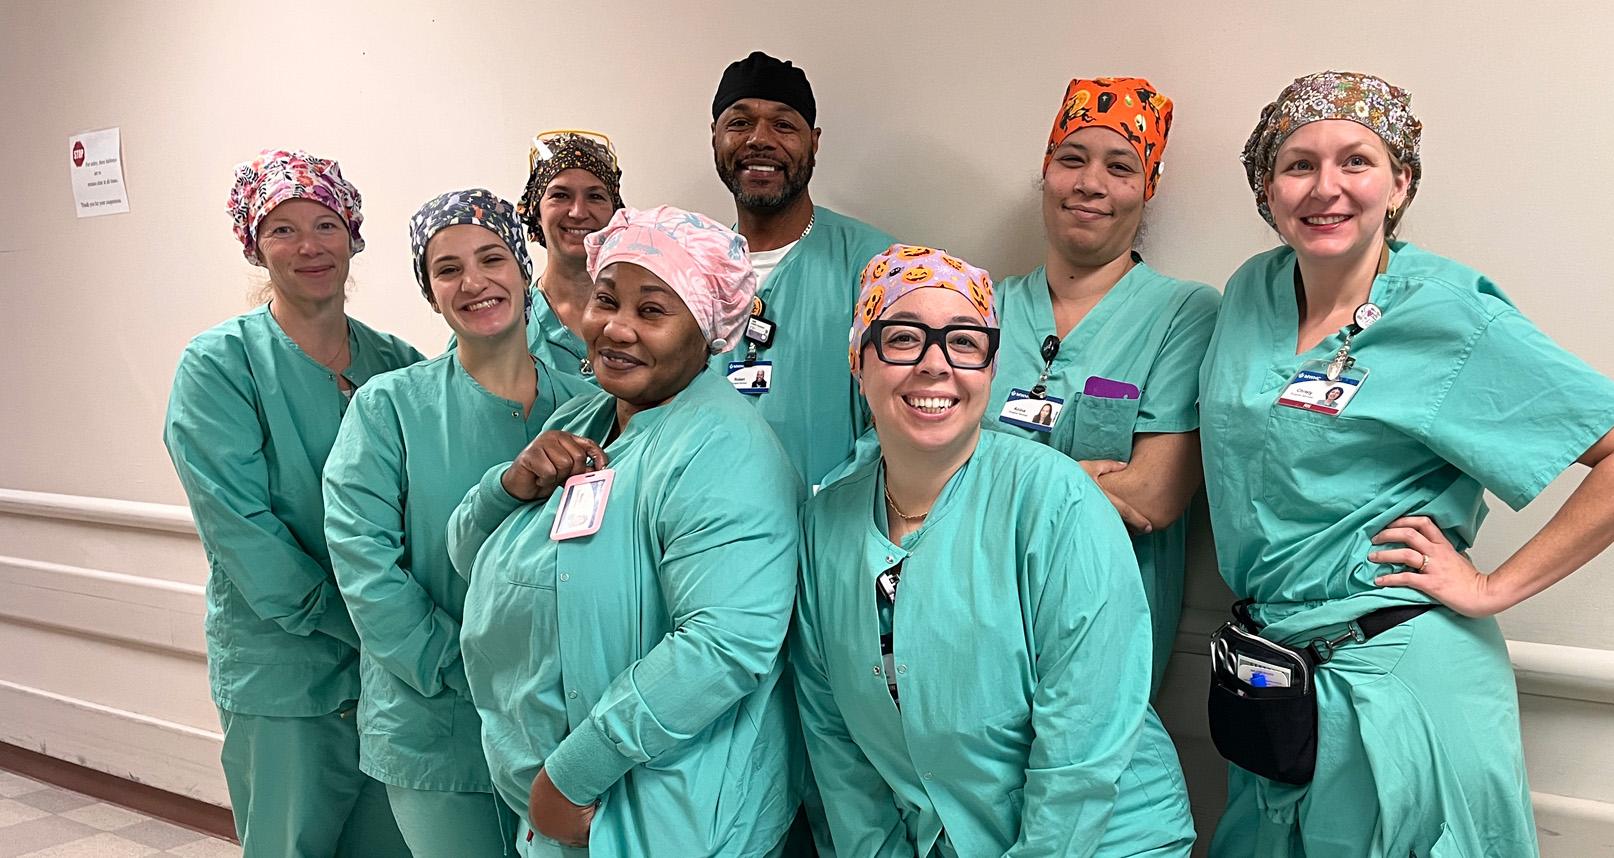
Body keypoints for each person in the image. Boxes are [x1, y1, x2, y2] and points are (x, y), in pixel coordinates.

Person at [1199, 70, 1614, 857]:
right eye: (1299, 164)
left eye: (1356, 161)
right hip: (1273, 679)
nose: (1326, 187)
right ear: (1267, 190)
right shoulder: (1251, 292)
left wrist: (1493, 588)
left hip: (1397, 678)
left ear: (1400, 185)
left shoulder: (1445, 313)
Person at [795, 245, 1195, 857]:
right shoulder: (824, 528)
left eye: (963, 341)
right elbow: (834, 739)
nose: (935, 364)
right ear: (859, 359)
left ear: (990, 367)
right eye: (903, 339)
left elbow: (1082, 741)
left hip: (1096, 838)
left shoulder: (1057, 502)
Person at [449, 205, 802, 857]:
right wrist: (509, 486)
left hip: (666, 818)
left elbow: (725, 645)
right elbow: (471, 559)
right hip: (565, 811)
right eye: (606, 299)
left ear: (707, 330)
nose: (616, 327)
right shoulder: (583, 421)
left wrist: (571, 775)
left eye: (652, 311)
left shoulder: (725, 450)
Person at [163, 149, 420, 857]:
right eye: (283, 229)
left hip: (390, 677)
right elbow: (242, 530)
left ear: (353, 237)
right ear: (255, 246)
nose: (310, 246)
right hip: (284, 675)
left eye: (325, 225)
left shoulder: (398, 365)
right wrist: (376, 624)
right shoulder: (220, 366)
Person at [324, 189, 595, 855]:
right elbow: (364, 566)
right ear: (430, 292)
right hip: (436, 724)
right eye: (448, 269)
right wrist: (467, 665)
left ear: (523, 269)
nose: (474, 283)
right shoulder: (389, 408)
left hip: (560, 729)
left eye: (491, 259)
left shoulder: (586, 406)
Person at [986, 77, 1219, 696]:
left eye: (1120, 166)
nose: (1090, 183)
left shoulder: (1185, 314)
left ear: (1147, 187)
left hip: (1103, 627)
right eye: (1072, 159)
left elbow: (1155, 494)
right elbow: (912, 471)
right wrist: (1076, 486)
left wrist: (987, 483)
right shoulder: (980, 308)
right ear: (1046, 172)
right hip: (973, 612)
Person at [707, 51, 897, 489]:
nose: (760, 139)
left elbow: (902, 414)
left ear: (814, 142)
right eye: (740, 122)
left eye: (783, 125)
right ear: (714, 136)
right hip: (707, 522)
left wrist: (830, 509)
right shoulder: (692, 271)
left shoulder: (879, 267)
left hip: (836, 522)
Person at [511, 129, 627, 380]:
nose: (578, 212)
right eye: (560, 195)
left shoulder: (645, 313)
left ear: (615, 213)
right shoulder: (507, 319)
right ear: (535, 211)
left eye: (595, 196)